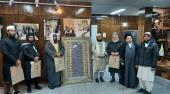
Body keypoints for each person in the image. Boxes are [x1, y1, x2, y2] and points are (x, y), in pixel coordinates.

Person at [0, 25, 22, 94]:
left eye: (14, 30)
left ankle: (16, 92)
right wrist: (15, 60)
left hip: (17, 64)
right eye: (12, 30)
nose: (14, 32)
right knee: (8, 82)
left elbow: (21, 50)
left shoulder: (17, 41)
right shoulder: (3, 41)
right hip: (7, 64)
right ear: (7, 31)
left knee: (16, 80)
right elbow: (6, 53)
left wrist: (19, 59)